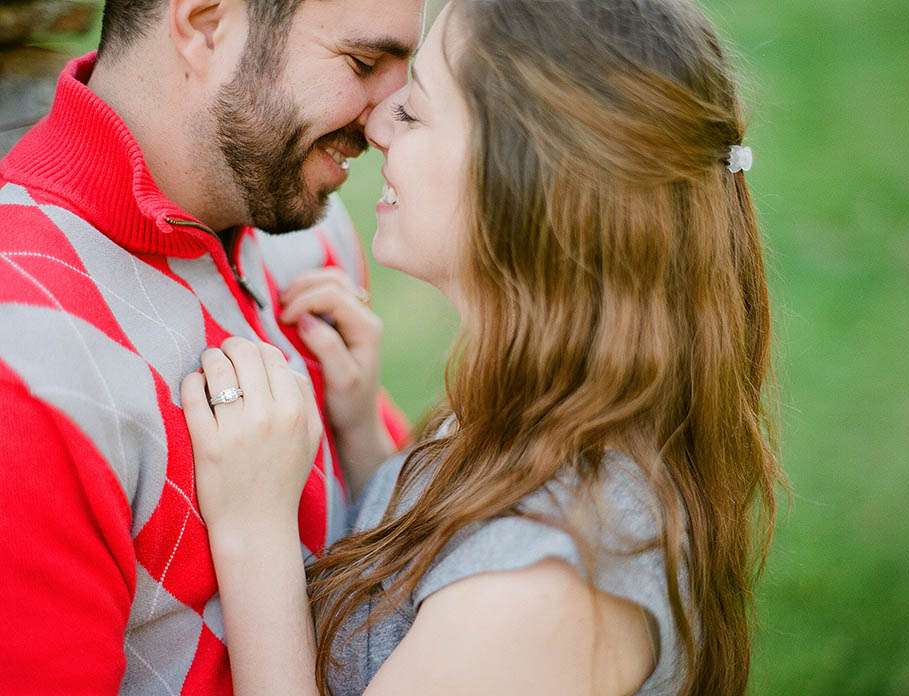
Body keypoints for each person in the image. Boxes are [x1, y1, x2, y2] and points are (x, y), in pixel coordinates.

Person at [183, 0, 782, 694]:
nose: (377, 123)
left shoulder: (549, 588)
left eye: (415, 111)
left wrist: (255, 536)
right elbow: (436, 578)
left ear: (523, 179)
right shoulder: (548, 415)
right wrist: (365, 444)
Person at [0, 0, 422, 693]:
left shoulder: (314, 231)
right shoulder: (26, 366)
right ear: (202, 25)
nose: (384, 122)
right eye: (364, 64)